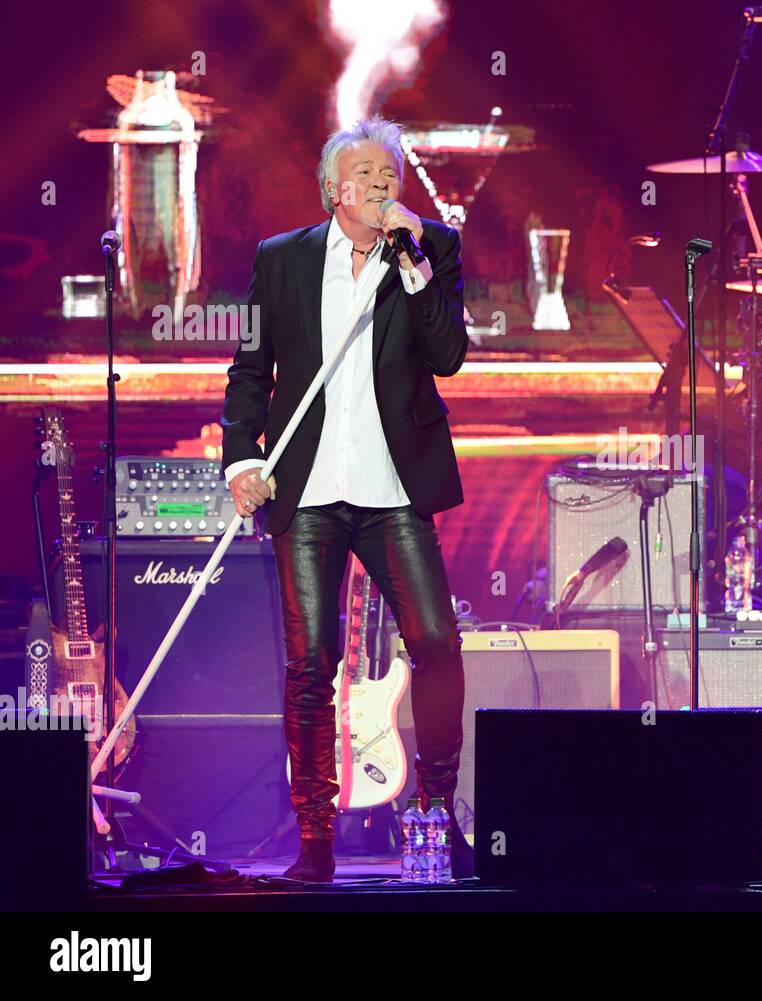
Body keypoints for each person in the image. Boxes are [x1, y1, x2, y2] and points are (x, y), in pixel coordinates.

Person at [220, 116, 470, 881]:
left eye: (391, 172)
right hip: (310, 487)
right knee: (309, 662)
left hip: (394, 488)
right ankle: (316, 837)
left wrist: (416, 264)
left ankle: (432, 816)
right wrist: (240, 459)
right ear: (333, 189)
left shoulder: (428, 251)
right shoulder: (283, 260)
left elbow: (450, 355)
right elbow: (250, 366)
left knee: (434, 642)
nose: (382, 184)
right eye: (365, 173)